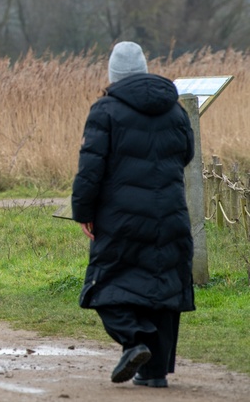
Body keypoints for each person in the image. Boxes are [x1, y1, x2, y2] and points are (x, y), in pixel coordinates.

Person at [71, 41, 195, 388]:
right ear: (143, 69)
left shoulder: (105, 110)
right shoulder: (175, 109)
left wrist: (83, 211)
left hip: (121, 216)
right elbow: (186, 154)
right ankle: (154, 374)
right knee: (164, 286)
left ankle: (134, 341)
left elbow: (90, 170)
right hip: (171, 213)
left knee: (104, 282)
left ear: (113, 74)